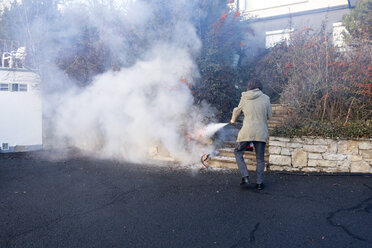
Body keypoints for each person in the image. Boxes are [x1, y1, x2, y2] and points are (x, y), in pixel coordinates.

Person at [230, 79, 272, 190]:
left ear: (249, 87)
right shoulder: (266, 98)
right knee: (260, 159)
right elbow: (269, 116)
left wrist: (233, 120)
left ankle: (245, 177)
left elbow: (236, 111)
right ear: (260, 87)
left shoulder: (244, 97)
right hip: (261, 132)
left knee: (238, 151)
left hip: (247, 131)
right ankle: (259, 183)